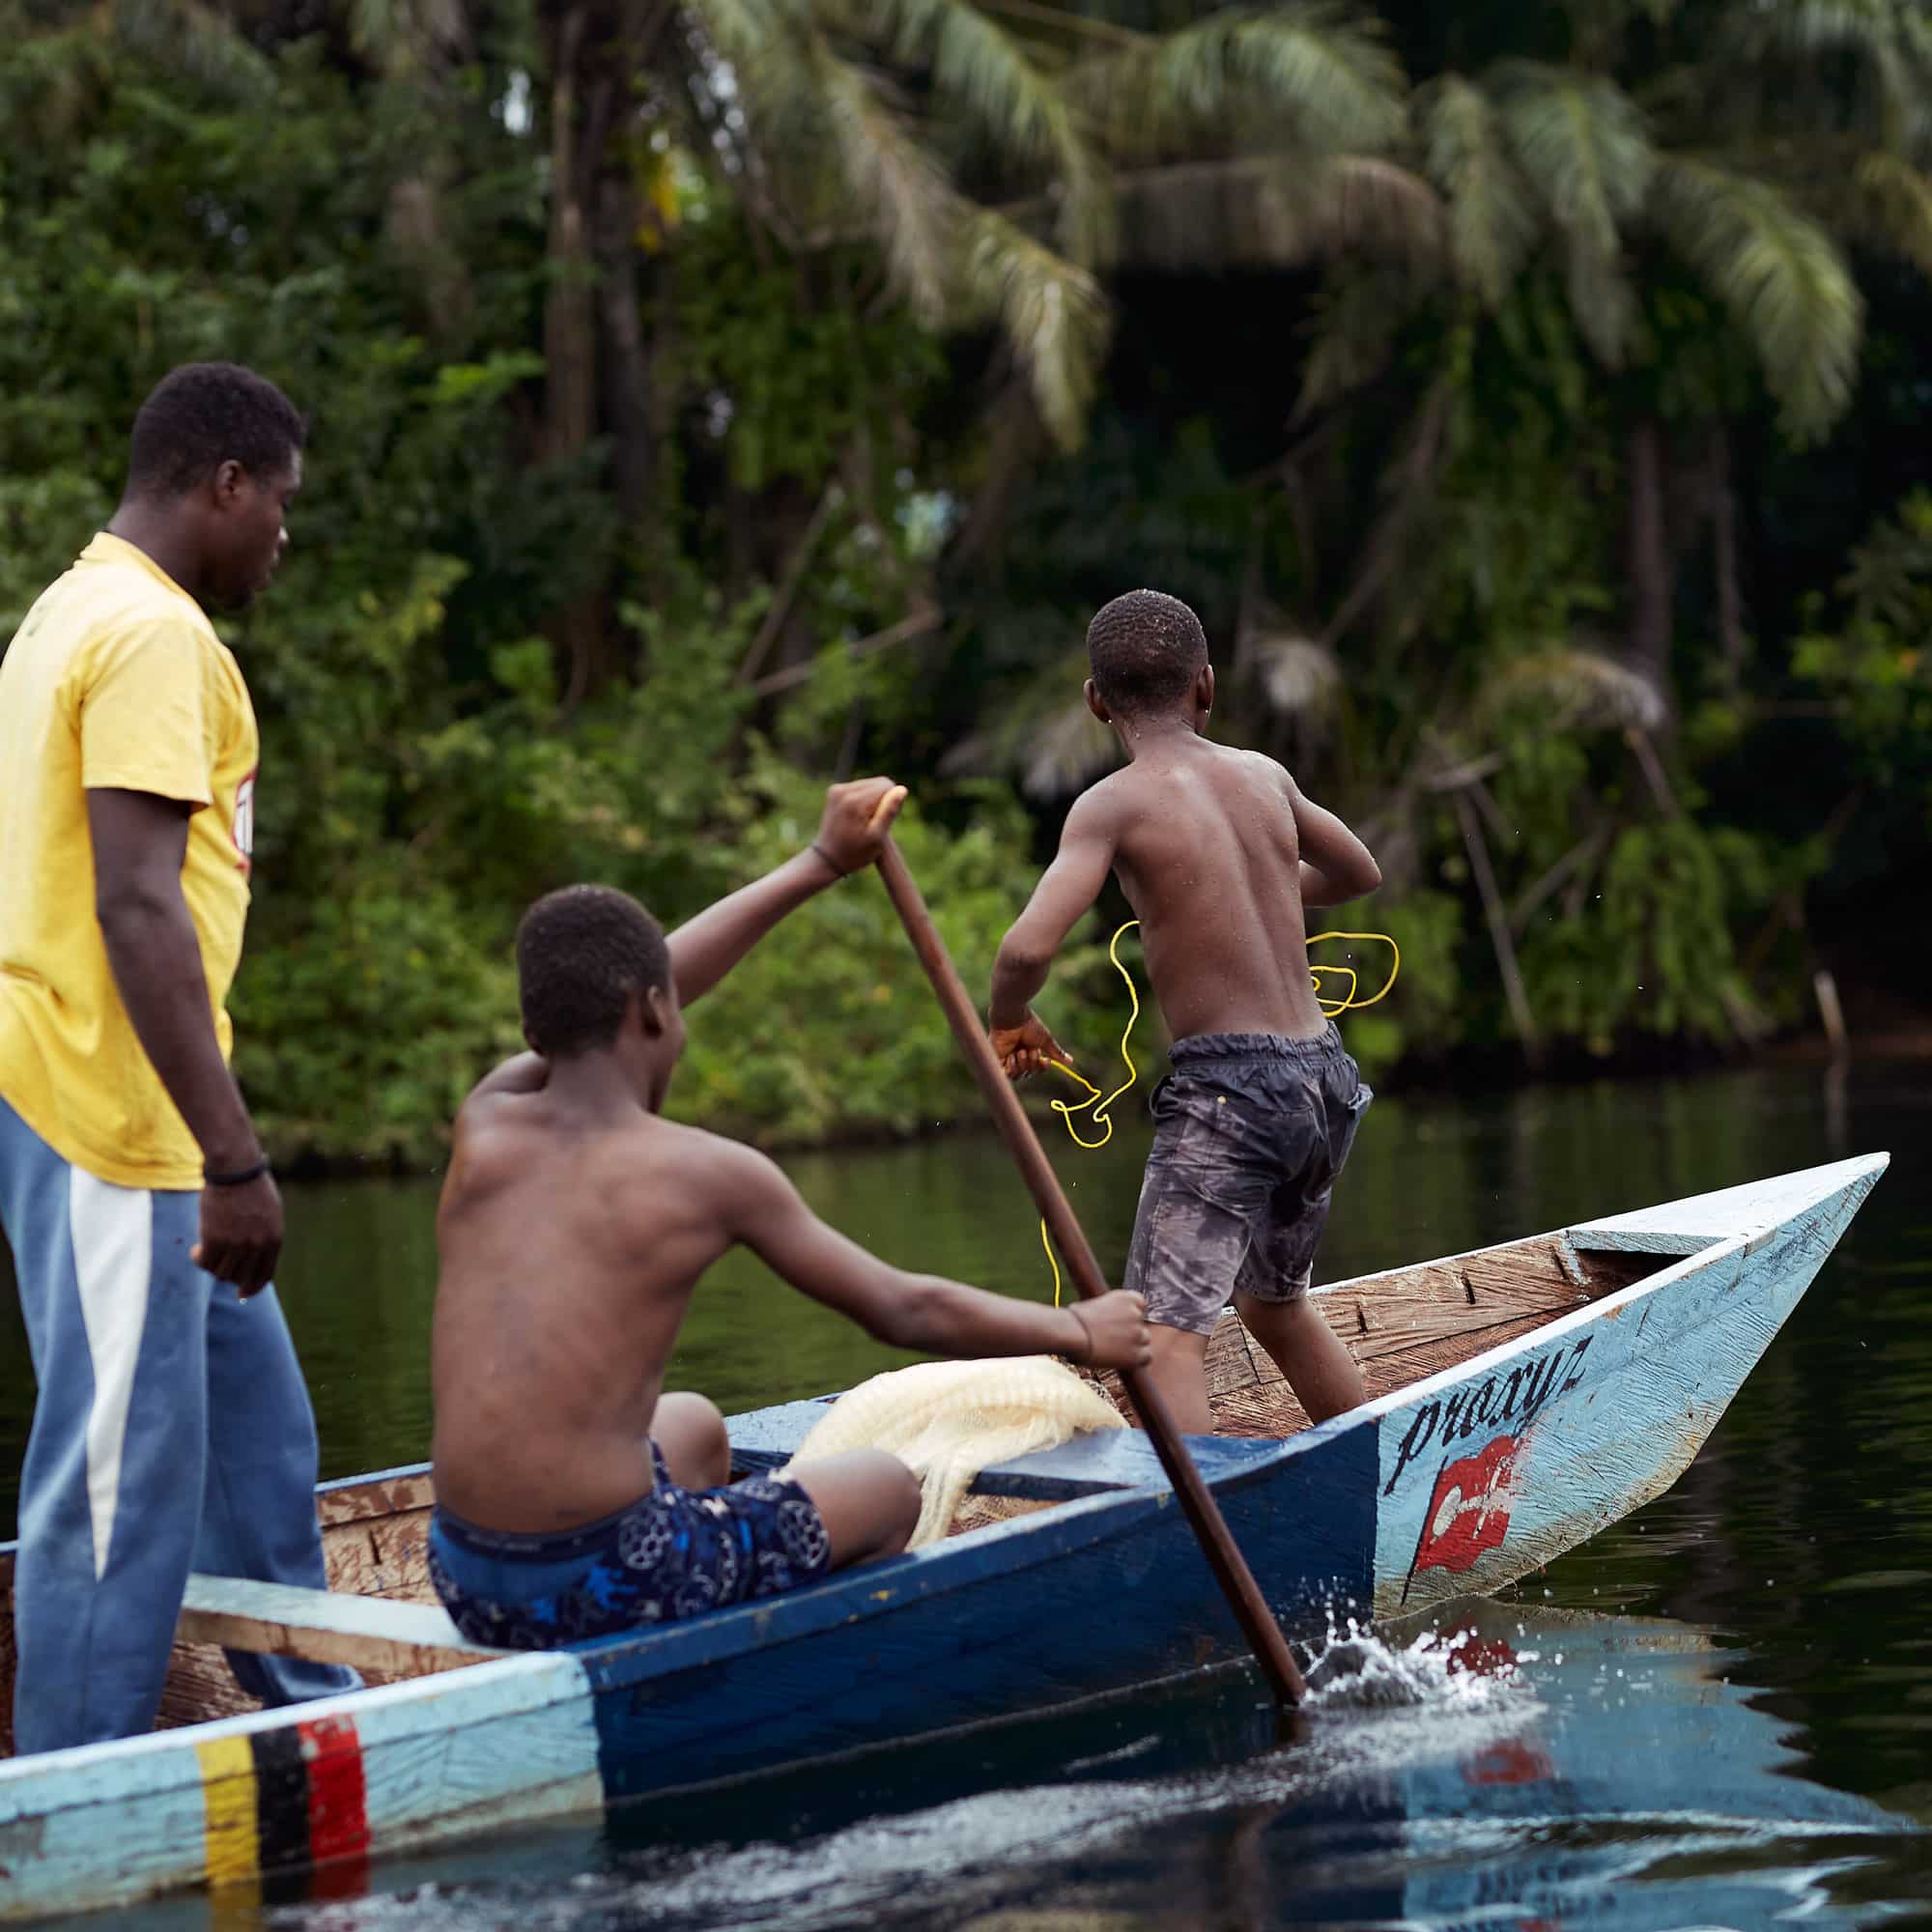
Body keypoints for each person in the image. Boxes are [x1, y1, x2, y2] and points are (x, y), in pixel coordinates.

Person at [427, 782, 1152, 1651]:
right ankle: (729, 1669)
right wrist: (1078, 1329)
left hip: (465, 1573)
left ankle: (695, 1593)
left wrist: (818, 865)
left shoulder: (488, 1117)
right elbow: (902, 1310)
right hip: (600, 1578)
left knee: (691, 1425)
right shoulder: (708, 1173)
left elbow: (644, 984)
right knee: (887, 1490)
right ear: (658, 1010)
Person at [0, 362, 358, 1751]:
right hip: (107, 1113)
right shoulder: (148, 636)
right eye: (279, 501)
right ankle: (75, 1799)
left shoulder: (64, 609)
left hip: (127, 1098)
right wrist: (236, 1154)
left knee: (258, 1444)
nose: (282, 529)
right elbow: (134, 899)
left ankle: (316, 1719)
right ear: (224, 484)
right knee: (117, 1478)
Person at [986, 589, 1383, 1436]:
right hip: (1322, 1077)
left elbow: (1024, 950)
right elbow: (1358, 872)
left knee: (1166, 1337)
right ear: (1206, 687)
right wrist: (1265, 897)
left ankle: (1198, 1541)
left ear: (1096, 702)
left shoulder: (1110, 805)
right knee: (1274, 1305)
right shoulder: (1263, 775)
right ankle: (1377, 1470)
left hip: (1232, 1093)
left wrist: (1010, 1016)